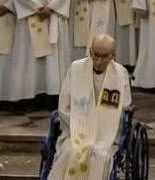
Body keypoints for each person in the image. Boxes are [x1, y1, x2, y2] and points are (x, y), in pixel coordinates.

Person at [49, 34, 131, 180]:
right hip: (75, 131)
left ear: (113, 55)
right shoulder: (76, 69)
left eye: (104, 56)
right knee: (70, 152)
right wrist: (82, 127)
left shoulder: (120, 74)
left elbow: (124, 108)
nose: (98, 61)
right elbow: (64, 107)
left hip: (105, 135)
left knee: (98, 155)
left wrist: (100, 129)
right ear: (90, 51)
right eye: (95, 55)